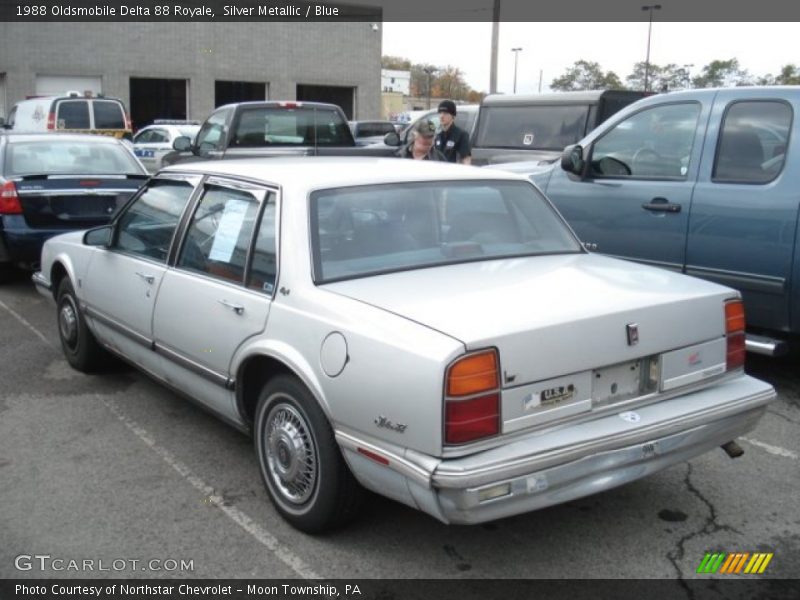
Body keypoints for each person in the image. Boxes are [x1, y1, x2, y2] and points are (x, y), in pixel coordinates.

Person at [434, 100, 471, 164]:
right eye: (440, 113)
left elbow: (466, 160)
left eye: (445, 113)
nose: (441, 116)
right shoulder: (438, 135)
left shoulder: (461, 135)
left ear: (453, 116)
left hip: (453, 172)